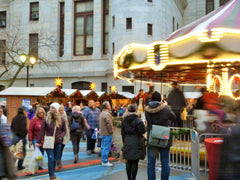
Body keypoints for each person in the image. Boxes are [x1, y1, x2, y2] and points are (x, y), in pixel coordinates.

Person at [145, 91, 176, 180]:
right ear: (160, 99)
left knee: (151, 163)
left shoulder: (147, 110)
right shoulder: (165, 109)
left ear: (152, 99)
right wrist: (167, 106)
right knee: (165, 162)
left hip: (152, 138)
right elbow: (173, 117)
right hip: (164, 138)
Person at [36, 103, 66, 180]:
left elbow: (64, 130)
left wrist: (61, 136)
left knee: (55, 159)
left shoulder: (62, 119)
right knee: (51, 158)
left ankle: (53, 171)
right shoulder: (46, 119)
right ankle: (51, 174)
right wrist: (38, 142)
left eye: (52, 108)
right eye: (50, 108)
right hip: (49, 142)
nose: (50, 109)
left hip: (58, 142)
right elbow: (42, 131)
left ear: (56, 109)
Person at [121, 104, 146, 180]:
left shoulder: (124, 120)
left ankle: (129, 178)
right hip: (136, 141)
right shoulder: (138, 120)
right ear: (135, 110)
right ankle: (133, 178)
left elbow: (122, 133)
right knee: (135, 162)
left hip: (127, 140)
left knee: (128, 161)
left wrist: (124, 142)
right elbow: (142, 131)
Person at [11, 106, 28, 171]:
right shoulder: (23, 118)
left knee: (15, 151)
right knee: (22, 152)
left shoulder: (14, 118)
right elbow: (23, 128)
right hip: (21, 138)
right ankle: (20, 165)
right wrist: (24, 135)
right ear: (23, 111)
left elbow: (12, 127)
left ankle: (12, 165)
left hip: (15, 137)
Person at [99, 101, 114, 167]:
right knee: (106, 147)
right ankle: (105, 161)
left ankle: (104, 160)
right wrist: (111, 131)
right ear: (108, 106)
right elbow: (109, 124)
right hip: (107, 133)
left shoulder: (102, 113)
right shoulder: (107, 114)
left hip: (103, 132)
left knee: (103, 147)